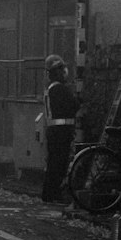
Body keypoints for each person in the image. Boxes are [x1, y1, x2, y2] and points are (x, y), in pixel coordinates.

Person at [42, 54, 77, 204]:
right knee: (58, 164)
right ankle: (53, 194)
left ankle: (49, 193)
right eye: (62, 69)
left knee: (53, 163)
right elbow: (74, 106)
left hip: (54, 131)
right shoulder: (59, 89)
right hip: (61, 132)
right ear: (57, 72)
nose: (65, 72)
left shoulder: (50, 89)